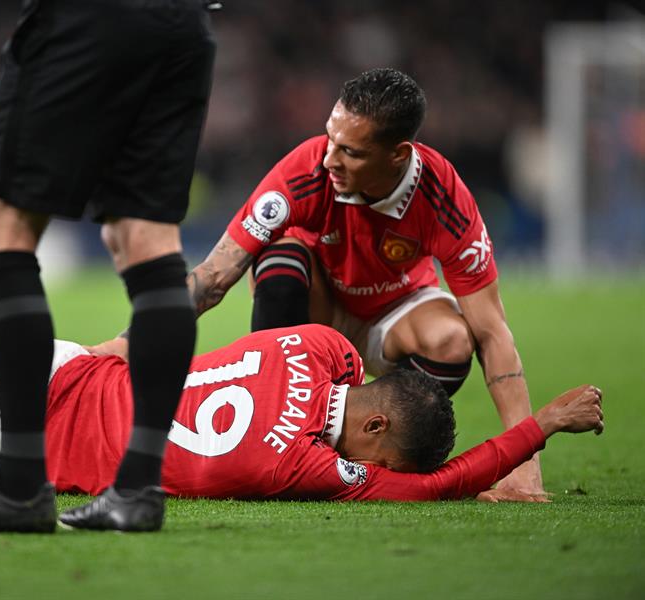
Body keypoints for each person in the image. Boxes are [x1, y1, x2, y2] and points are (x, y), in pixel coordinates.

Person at [0, 1, 217, 533]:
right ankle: (136, 491)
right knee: (147, 241)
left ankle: (17, 487)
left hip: (89, 21)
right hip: (184, 23)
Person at [0, 325, 604, 509]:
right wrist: (543, 424)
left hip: (62, 362)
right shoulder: (297, 468)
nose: (381, 479)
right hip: (31, 444)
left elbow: (344, 359)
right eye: (386, 462)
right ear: (373, 434)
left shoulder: (314, 345)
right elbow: (433, 490)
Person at [184, 68, 544, 501]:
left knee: (451, 341)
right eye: (330, 138)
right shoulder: (308, 169)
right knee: (280, 255)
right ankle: (272, 421)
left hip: (394, 317)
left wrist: (524, 466)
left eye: (350, 151)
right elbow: (215, 274)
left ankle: (376, 447)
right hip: (318, 315)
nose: (329, 158)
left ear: (398, 155)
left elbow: (492, 332)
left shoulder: (444, 197)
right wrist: (129, 344)